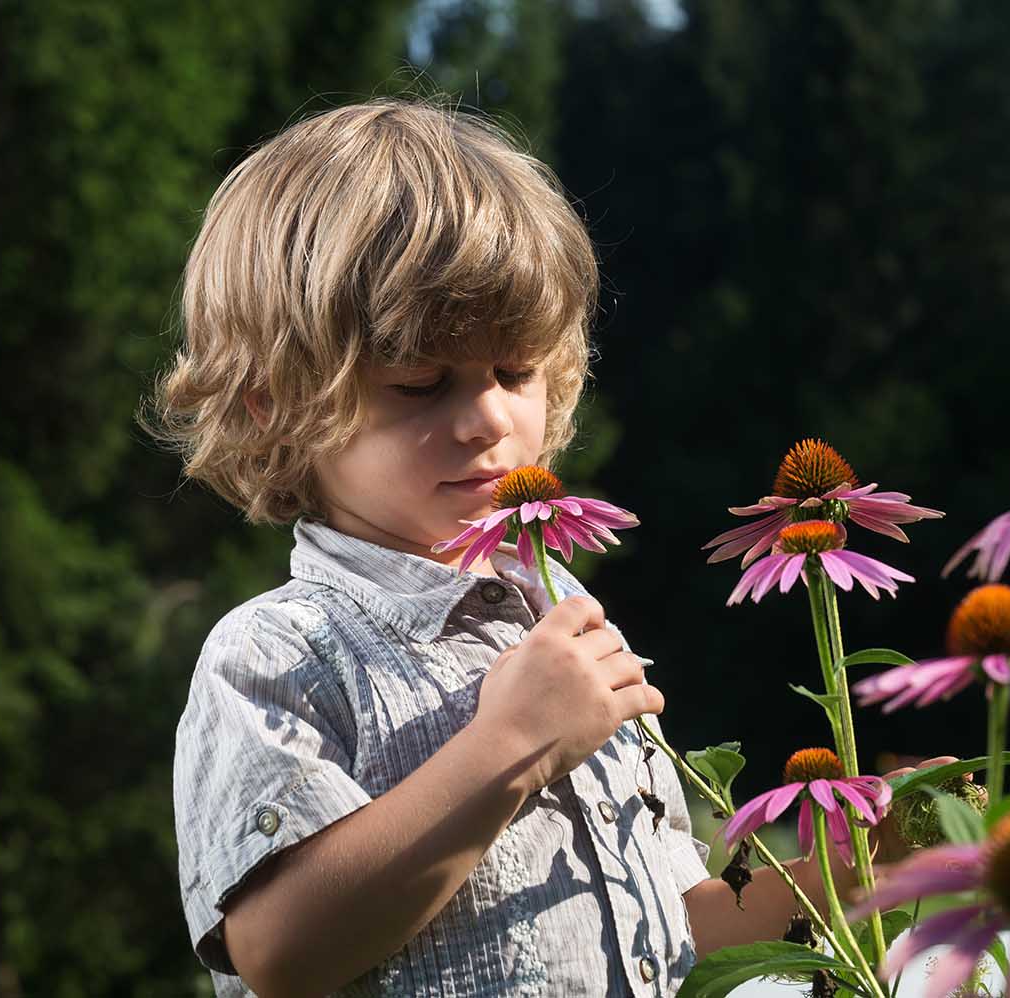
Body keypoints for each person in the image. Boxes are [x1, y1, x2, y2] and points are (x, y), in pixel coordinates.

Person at [150, 97, 929, 998]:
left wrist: (853, 873)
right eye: (421, 383)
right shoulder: (277, 654)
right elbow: (282, 948)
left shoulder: (565, 629)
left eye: (515, 371)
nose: (489, 419)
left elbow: (669, 935)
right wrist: (513, 745)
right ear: (278, 403)